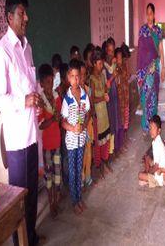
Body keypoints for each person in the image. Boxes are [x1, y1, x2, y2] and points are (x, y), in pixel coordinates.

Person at [0, 0, 42, 245]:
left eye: (26, 13)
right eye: (21, 13)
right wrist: (24, 101)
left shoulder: (27, 47)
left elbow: (32, 85)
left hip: (32, 134)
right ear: (9, 17)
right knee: (18, 197)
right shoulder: (2, 52)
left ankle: (30, 236)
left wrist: (39, 99)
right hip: (17, 140)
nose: (26, 18)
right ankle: (19, 241)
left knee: (32, 192)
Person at [61, 59, 90, 215]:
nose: (75, 79)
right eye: (72, 76)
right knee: (72, 172)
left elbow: (87, 114)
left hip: (82, 139)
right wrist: (72, 128)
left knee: (79, 170)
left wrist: (84, 125)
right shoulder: (67, 98)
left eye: (78, 76)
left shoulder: (84, 94)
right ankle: (74, 201)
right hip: (71, 142)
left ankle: (79, 198)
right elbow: (63, 122)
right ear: (68, 78)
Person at [137, 3, 165, 134]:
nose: (149, 16)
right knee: (145, 97)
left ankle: (153, 126)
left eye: (151, 13)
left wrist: (163, 67)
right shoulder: (142, 30)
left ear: (154, 14)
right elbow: (140, 52)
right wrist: (141, 71)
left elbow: (160, 49)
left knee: (153, 97)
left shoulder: (158, 30)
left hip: (155, 68)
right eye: (147, 13)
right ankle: (145, 125)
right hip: (144, 70)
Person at [38, 64, 62, 218]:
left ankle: (56, 200)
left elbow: (59, 117)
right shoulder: (40, 101)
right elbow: (41, 125)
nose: (50, 85)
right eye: (47, 82)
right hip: (47, 146)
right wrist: (54, 118)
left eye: (52, 82)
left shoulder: (56, 97)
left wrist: (57, 117)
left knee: (57, 174)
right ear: (41, 83)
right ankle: (51, 201)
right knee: (49, 177)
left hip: (57, 143)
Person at [90, 47, 111, 178]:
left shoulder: (102, 76)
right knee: (98, 142)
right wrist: (103, 97)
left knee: (106, 139)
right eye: (99, 63)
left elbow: (104, 90)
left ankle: (105, 161)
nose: (101, 65)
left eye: (102, 63)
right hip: (97, 114)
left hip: (104, 112)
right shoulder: (91, 79)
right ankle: (99, 167)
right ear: (94, 63)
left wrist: (106, 93)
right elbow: (92, 99)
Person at [102, 37, 123, 156]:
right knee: (110, 121)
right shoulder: (104, 66)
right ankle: (109, 152)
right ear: (106, 50)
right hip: (108, 96)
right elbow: (107, 84)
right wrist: (113, 77)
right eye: (109, 51)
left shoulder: (114, 63)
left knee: (116, 120)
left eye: (112, 51)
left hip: (115, 94)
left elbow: (117, 78)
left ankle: (114, 148)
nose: (111, 54)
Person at [138, 115, 165, 187]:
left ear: (159, 130)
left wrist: (149, 172)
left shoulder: (158, 144)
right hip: (157, 167)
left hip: (159, 176)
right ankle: (148, 175)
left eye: (154, 128)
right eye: (150, 128)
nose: (151, 131)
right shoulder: (155, 141)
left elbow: (156, 167)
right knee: (147, 157)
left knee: (140, 175)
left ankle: (150, 179)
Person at [79, 61, 94, 187]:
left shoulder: (88, 90)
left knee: (88, 151)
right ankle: (81, 177)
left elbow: (91, 108)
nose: (82, 78)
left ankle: (88, 175)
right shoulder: (75, 93)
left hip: (88, 125)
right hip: (79, 127)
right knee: (81, 153)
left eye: (84, 75)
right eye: (80, 75)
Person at [115, 47, 130, 150]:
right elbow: (117, 82)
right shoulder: (115, 69)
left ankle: (124, 140)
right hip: (120, 99)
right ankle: (121, 143)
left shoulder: (124, 66)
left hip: (126, 97)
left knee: (126, 120)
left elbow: (127, 76)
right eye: (118, 58)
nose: (120, 60)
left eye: (121, 58)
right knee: (121, 121)